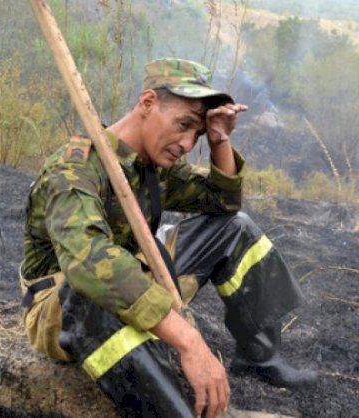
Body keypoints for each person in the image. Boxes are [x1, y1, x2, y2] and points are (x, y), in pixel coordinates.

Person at [20, 58, 316, 418]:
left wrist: (220, 140)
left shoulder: (152, 166)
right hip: (61, 307)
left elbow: (222, 202)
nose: (189, 143)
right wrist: (189, 342)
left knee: (235, 227)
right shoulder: (75, 170)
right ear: (148, 103)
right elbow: (88, 263)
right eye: (184, 125)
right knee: (91, 291)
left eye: (198, 133)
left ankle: (258, 355)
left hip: (136, 274)